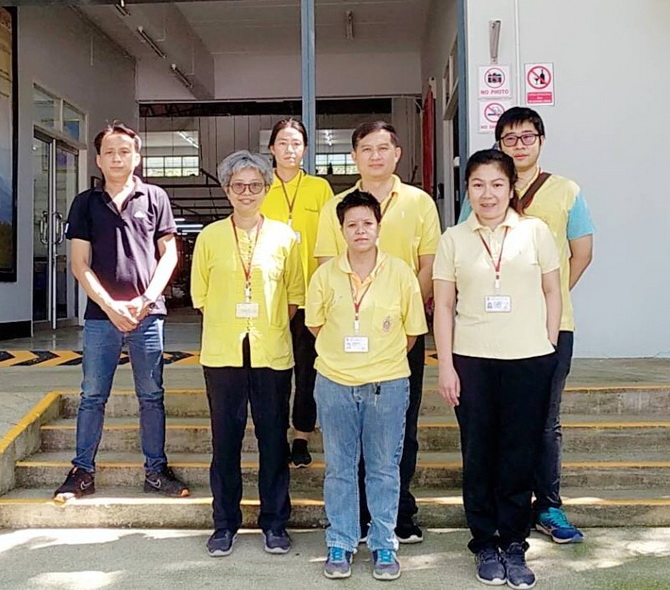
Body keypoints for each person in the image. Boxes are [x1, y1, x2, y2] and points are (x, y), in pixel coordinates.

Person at [458, 107, 594, 543]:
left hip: (550, 329)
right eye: (509, 138)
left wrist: (546, 303)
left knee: (545, 419)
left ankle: (548, 505)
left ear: (541, 140)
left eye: (527, 136)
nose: (519, 145)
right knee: (497, 425)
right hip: (489, 336)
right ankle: (500, 510)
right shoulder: (482, 191)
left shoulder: (566, 191)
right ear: (499, 144)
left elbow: (582, 252)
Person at [434, 149, 561, 588]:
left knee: (519, 453)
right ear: (467, 190)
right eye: (478, 185)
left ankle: (514, 542)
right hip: (472, 361)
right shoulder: (453, 238)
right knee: (479, 453)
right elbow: (444, 306)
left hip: (529, 359)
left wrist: (548, 344)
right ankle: (484, 541)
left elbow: (553, 291)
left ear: (511, 188)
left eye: (496, 184)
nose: (487, 194)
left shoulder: (535, 231)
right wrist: (446, 365)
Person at [314, 121, 440, 544]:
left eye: (383, 148)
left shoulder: (420, 203)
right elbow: (325, 271)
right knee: (349, 439)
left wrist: (402, 313)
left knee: (400, 428)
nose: (375, 156)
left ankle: (398, 513)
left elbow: (428, 264)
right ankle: (356, 519)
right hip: (346, 343)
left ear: (397, 153)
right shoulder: (337, 206)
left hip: (400, 334)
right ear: (354, 156)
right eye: (366, 149)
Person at [54, 121, 188, 501]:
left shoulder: (155, 198)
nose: (117, 158)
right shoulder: (85, 203)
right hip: (101, 319)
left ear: (137, 157)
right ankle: (82, 472)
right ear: (98, 159)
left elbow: (169, 255)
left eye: (124, 151)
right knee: (92, 395)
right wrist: (110, 306)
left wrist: (146, 300)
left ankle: (156, 471)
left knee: (152, 395)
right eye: (110, 152)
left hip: (148, 315)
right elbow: (79, 263)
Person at [306, 191, 427, 580]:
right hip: (335, 383)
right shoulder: (325, 275)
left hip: (387, 385)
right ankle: (340, 541)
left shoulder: (401, 274)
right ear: (341, 230)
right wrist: (346, 358)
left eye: (367, 223)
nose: (360, 230)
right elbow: (315, 324)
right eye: (352, 224)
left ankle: (383, 544)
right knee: (340, 467)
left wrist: (379, 359)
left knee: (384, 469)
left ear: (379, 226)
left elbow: (412, 332)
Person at [190, 150, 304, 558]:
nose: (246, 192)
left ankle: (275, 523)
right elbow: (200, 296)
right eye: (238, 185)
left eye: (255, 185)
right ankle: (225, 524)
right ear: (226, 190)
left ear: (266, 189)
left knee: (273, 440)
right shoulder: (209, 237)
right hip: (223, 354)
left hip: (271, 353)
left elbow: (294, 295)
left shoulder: (285, 237)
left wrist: (266, 324)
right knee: (226, 442)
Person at [260, 118, 334, 468]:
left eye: (296, 143)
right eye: (283, 143)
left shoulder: (319, 188)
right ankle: (274, 435)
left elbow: (333, 237)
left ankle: (301, 435)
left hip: (312, 296)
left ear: (305, 149)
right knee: (273, 371)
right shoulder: (260, 187)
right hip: (271, 297)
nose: (290, 150)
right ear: (271, 148)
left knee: (308, 371)